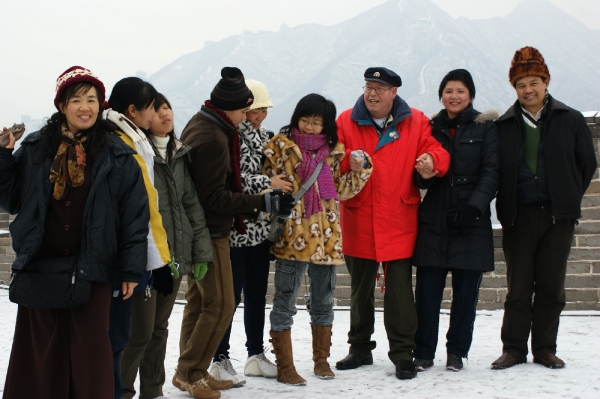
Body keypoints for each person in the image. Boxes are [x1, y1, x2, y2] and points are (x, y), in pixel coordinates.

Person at [0, 66, 149, 399]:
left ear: (101, 105)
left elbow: (135, 218)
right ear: (62, 106)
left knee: (90, 357)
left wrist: (129, 269)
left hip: (93, 270)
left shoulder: (118, 154)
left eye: (92, 99)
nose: (86, 107)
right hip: (41, 265)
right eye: (77, 99)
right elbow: (11, 199)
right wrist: (3, 156)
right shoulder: (37, 149)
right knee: (41, 358)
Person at [175, 67, 294, 399]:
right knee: (220, 304)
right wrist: (262, 200)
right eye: (246, 109)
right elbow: (215, 195)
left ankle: (189, 372)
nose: (248, 116)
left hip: (210, 229)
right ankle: (194, 372)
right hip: (212, 232)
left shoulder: (208, 125)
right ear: (232, 107)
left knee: (201, 304)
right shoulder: (215, 137)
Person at [334, 67, 450, 380]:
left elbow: (436, 150)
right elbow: (332, 159)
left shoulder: (415, 120)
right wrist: (348, 163)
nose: (372, 93)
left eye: (380, 88)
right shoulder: (345, 120)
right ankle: (359, 348)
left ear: (394, 92)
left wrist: (432, 163)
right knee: (359, 291)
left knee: (399, 292)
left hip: (400, 218)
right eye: (369, 86)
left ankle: (402, 353)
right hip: (359, 217)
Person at [491, 47, 597, 370]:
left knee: (551, 286)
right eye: (521, 84)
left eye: (534, 82)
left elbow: (587, 163)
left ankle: (545, 349)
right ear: (514, 88)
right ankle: (513, 349)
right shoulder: (505, 125)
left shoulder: (570, 118)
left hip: (557, 216)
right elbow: (494, 169)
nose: (528, 89)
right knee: (518, 287)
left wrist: (567, 196)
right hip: (518, 215)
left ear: (546, 81)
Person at [264, 93, 373, 386]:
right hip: (292, 238)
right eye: (305, 121)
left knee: (324, 300)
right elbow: (267, 188)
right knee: (285, 300)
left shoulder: (333, 153)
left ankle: (321, 360)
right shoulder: (280, 149)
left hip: (326, 239)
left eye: (316, 123)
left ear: (326, 126)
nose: (310, 128)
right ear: (296, 118)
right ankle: (285, 365)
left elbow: (342, 191)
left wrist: (363, 168)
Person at [120, 93, 213, 399]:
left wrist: (200, 252)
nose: (164, 114)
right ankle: (120, 389)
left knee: (160, 328)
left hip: (174, 258)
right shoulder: (140, 153)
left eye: (167, 107)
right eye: (156, 109)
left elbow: (192, 207)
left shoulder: (178, 153)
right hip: (149, 257)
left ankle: (152, 390)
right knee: (140, 331)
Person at [412, 69, 499, 372]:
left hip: (471, 223)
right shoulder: (429, 128)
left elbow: (492, 173)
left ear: (470, 95)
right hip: (433, 220)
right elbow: (417, 175)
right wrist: (421, 174)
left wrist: (473, 207)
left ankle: (457, 352)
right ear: (441, 95)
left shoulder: (485, 128)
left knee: (465, 296)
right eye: (449, 90)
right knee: (426, 294)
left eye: (460, 91)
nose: (454, 96)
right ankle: (423, 351)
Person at [209, 80, 285, 386]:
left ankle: (255, 354)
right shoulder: (228, 139)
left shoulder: (266, 138)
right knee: (230, 297)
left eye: (264, 110)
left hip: (260, 229)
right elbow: (234, 180)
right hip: (236, 230)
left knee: (256, 295)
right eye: (256, 110)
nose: (261, 115)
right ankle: (219, 358)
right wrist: (269, 184)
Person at [106, 77, 172, 399]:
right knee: (130, 336)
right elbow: (136, 208)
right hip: (128, 255)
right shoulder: (120, 145)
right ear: (132, 110)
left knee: (141, 333)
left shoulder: (137, 142)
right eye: (150, 108)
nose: (156, 115)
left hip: (146, 250)